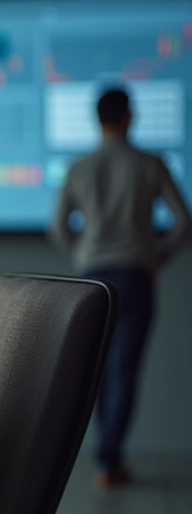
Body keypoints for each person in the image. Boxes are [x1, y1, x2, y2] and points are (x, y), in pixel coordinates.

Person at [50, 88, 191, 489]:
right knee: (124, 372)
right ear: (130, 117)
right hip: (135, 276)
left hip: (93, 276)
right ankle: (109, 461)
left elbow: (59, 227)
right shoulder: (151, 163)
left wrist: (83, 257)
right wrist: (156, 258)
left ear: (98, 119)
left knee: (96, 371)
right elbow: (183, 221)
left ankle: (105, 456)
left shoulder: (79, 167)